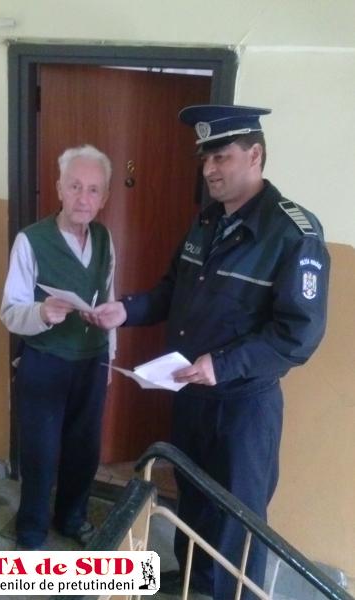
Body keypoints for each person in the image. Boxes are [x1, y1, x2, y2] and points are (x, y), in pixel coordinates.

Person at [84, 106, 330, 599]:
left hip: (244, 408)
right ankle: (196, 582)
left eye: (221, 157)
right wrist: (126, 310)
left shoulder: (292, 233)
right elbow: (171, 290)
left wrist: (223, 364)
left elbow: (298, 335)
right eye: (205, 159)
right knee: (192, 501)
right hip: (192, 395)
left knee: (239, 518)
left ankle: (234, 593)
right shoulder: (208, 221)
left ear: (255, 155)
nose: (209, 170)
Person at [0, 144, 115, 550]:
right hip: (44, 362)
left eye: (94, 189)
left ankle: (71, 518)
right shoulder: (30, 240)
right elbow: (9, 312)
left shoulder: (104, 239)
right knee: (40, 454)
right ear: (59, 189)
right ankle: (31, 532)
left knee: (84, 451)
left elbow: (108, 297)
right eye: (75, 186)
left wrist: (109, 357)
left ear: (104, 197)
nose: (83, 198)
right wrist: (42, 313)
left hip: (92, 363)